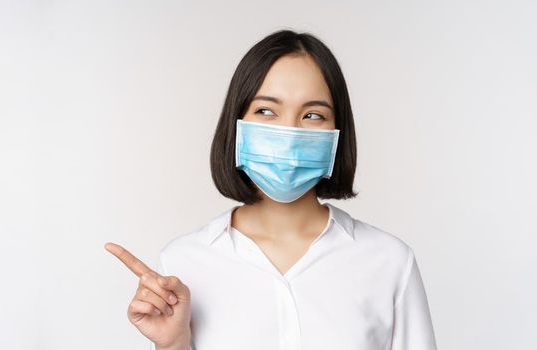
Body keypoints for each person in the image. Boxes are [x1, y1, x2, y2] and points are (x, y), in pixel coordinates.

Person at [105, 29, 437, 350]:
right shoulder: (183, 263)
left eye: (312, 114)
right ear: (237, 124)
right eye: (266, 111)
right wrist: (172, 346)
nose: (289, 133)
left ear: (337, 132)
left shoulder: (389, 262)